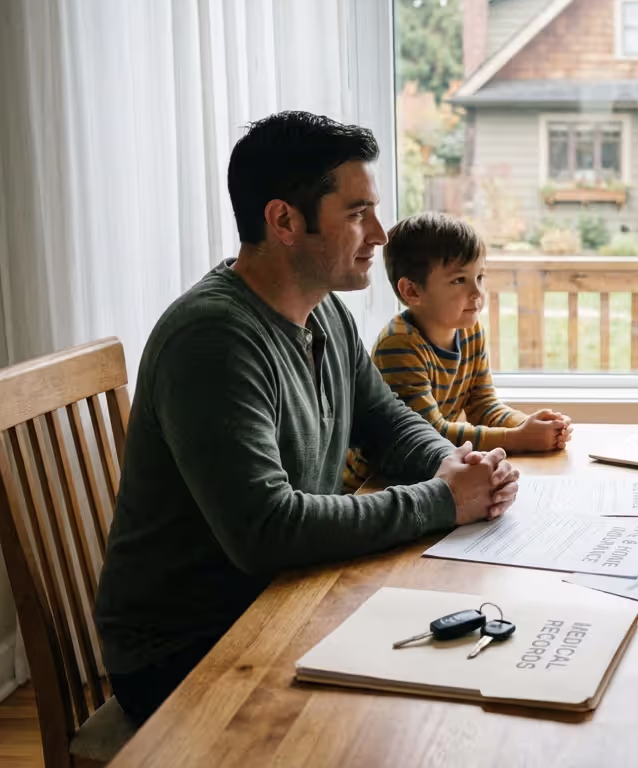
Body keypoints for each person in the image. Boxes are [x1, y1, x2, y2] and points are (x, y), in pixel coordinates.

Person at [94, 111, 519, 723]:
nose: (378, 232)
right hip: (189, 651)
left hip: (283, 600)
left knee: (471, 672)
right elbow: (267, 531)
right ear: (284, 220)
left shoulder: (324, 313)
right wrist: (444, 500)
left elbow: (387, 419)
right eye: (356, 214)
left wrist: (454, 463)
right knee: (426, 716)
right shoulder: (213, 338)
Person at [343, 213, 572, 491]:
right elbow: (430, 433)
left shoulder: (470, 331)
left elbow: (483, 406)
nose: (477, 292)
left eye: (480, 276)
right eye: (458, 280)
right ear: (412, 291)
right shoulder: (399, 345)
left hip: (434, 470)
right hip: (377, 485)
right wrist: (518, 438)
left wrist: (531, 425)